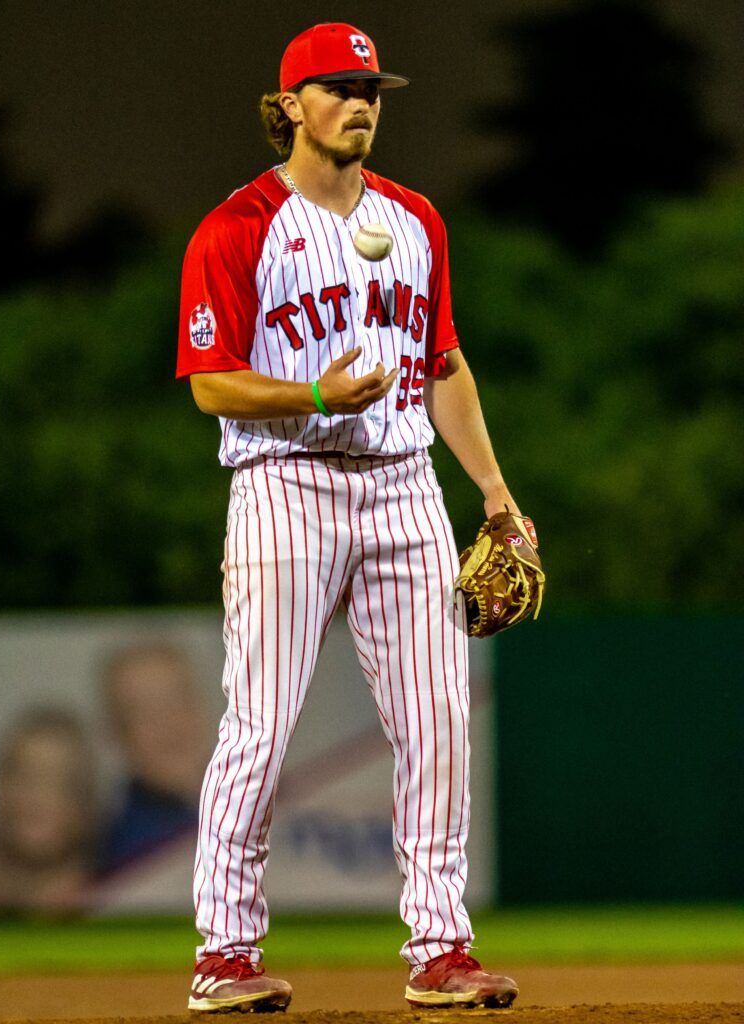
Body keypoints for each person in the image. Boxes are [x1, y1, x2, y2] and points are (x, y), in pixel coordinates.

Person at [176, 22, 521, 1012]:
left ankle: (442, 949)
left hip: (406, 484)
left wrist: (494, 492)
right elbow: (209, 385)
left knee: (442, 718)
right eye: (336, 86)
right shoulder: (237, 227)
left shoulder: (416, 219)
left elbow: (443, 364)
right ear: (289, 106)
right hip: (286, 483)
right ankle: (224, 954)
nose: (360, 100)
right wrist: (315, 397)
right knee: (260, 727)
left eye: (371, 86)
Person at [98, 641, 211, 873]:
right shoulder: (135, 855)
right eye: (144, 712)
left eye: (179, 701)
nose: (170, 724)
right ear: (117, 735)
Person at [0, 708, 97, 912]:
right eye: (23, 775)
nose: (36, 798)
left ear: (85, 805)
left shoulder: (115, 905)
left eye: (59, 782)